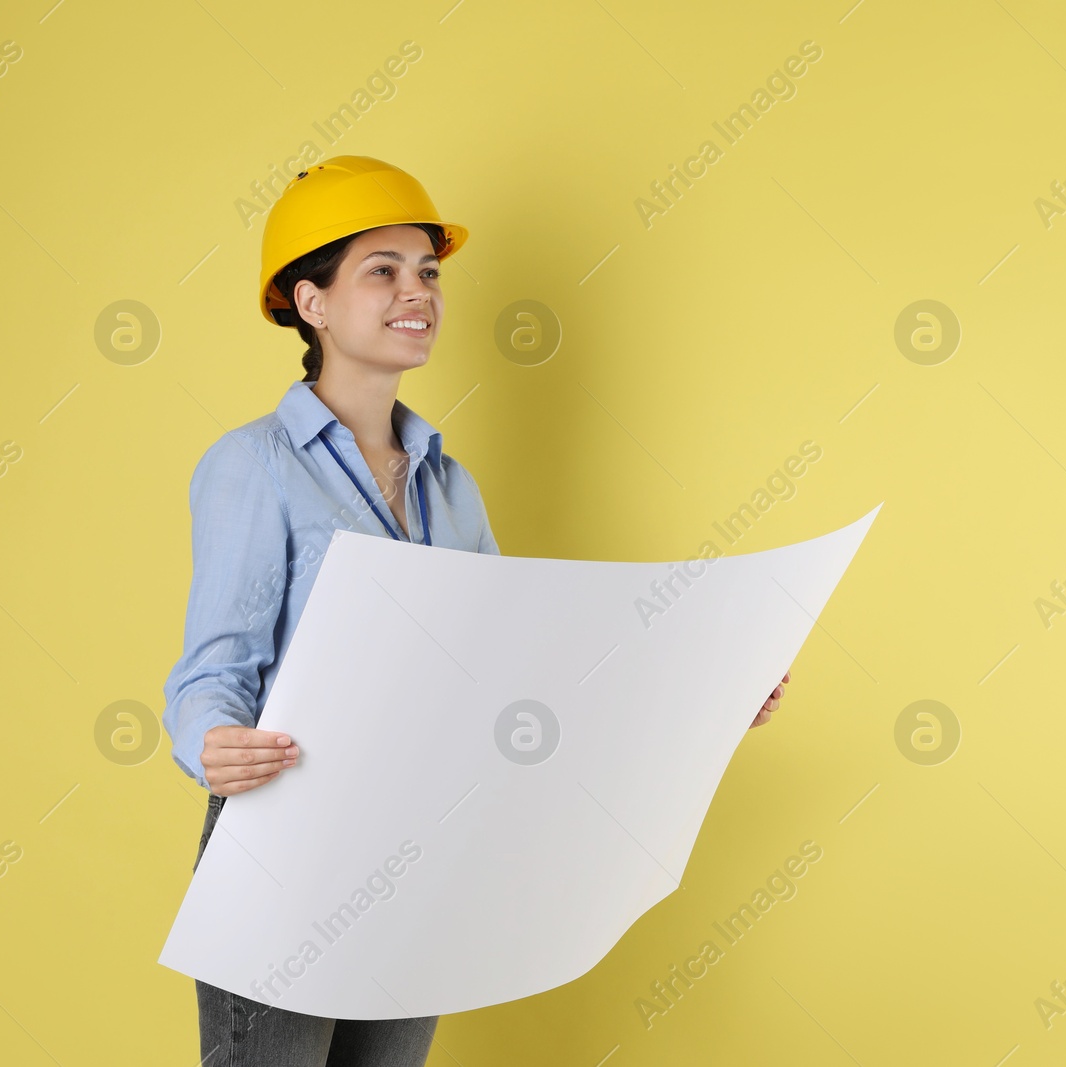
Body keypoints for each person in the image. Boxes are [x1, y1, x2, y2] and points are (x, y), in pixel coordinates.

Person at [161, 155, 791, 1064]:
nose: (416, 292)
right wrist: (209, 739)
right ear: (311, 303)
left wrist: (707, 689)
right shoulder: (253, 463)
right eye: (382, 270)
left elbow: (524, 671)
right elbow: (211, 674)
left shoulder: (451, 485)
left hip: (421, 850)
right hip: (285, 845)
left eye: (428, 272)